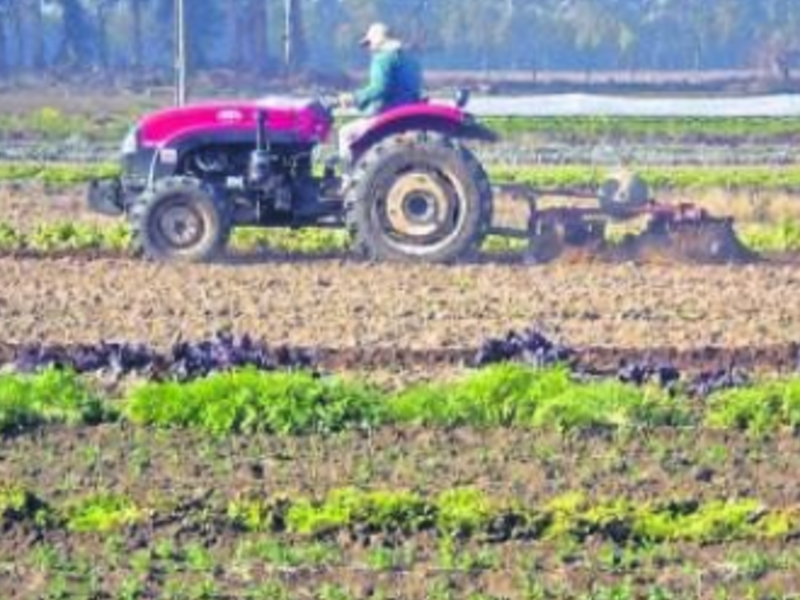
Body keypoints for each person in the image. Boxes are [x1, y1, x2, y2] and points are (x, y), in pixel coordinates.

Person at [337, 22, 423, 161]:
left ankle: (347, 179)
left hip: (389, 113)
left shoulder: (383, 58)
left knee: (345, 133)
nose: (369, 49)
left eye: (369, 44)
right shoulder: (410, 59)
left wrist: (354, 98)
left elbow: (379, 88)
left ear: (378, 40)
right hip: (407, 112)